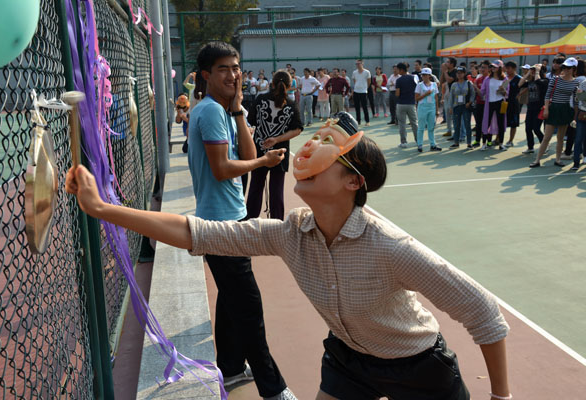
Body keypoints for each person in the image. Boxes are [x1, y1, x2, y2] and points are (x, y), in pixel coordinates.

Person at [66, 111, 512, 400]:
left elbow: (484, 312)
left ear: (353, 182)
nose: (308, 151)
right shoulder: (291, 234)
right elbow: (198, 233)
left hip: (417, 367)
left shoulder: (391, 248)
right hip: (349, 360)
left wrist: (501, 397)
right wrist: (104, 209)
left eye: (327, 148)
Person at [171, 41, 296, 400]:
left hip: (232, 218)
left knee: (231, 300)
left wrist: (239, 109)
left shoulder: (225, 111)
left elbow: (249, 152)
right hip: (220, 225)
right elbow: (223, 168)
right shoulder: (210, 111)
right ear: (206, 75)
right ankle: (274, 389)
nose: (233, 74)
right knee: (248, 308)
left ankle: (229, 367)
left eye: (236, 67)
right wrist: (263, 164)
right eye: (224, 68)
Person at [247, 70, 303, 220]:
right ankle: (277, 224)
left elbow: (250, 121)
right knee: (277, 191)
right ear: (289, 85)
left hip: (259, 150)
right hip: (280, 153)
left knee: (255, 188)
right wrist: (277, 139)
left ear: (272, 83)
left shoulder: (260, 99)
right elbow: (298, 129)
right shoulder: (291, 104)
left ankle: (249, 222)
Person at [530, 57, 580, 168]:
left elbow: (575, 101)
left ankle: (557, 159)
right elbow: (547, 95)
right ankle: (537, 160)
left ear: (574, 69)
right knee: (547, 137)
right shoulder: (555, 79)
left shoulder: (576, 82)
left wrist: (575, 117)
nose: (566, 69)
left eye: (569, 67)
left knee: (560, 138)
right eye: (565, 67)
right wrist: (546, 109)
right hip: (553, 108)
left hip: (565, 110)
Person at [518, 64, 548, 154]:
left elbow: (538, 81)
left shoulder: (545, 80)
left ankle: (544, 145)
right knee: (528, 128)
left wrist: (537, 71)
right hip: (530, 107)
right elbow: (520, 84)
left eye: (535, 70)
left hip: (539, 108)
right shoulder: (530, 81)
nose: (533, 72)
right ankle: (530, 147)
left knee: (536, 128)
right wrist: (528, 74)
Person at [480, 60, 508, 151]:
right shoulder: (487, 79)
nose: (493, 68)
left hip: (500, 103)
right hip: (490, 103)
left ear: (500, 68)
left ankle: (501, 143)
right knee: (486, 123)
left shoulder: (504, 79)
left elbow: (507, 93)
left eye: (495, 67)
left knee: (501, 123)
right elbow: (482, 91)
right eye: (492, 67)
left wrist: (503, 90)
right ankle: (484, 143)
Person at [448, 66, 476, 149]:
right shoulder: (454, 84)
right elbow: (451, 96)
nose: (459, 75)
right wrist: (450, 107)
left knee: (467, 125)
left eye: (461, 73)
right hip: (456, 106)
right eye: (457, 73)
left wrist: (469, 102)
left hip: (466, 106)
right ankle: (456, 142)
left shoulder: (468, 83)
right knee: (456, 125)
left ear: (464, 74)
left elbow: (473, 94)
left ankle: (469, 143)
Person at [415, 67, 442, 152]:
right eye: (423, 75)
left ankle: (433, 145)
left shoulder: (434, 85)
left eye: (425, 75)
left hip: (432, 107)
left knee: (431, 127)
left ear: (429, 76)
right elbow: (416, 98)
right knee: (421, 127)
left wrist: (437, 110)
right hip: (422, 107)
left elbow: (436, 98)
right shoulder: (419, 85)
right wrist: (426, 94)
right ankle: (420, 145)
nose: (423, 76)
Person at [395, 62, 418, 148]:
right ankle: (418, 140)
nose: (397, 71)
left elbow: (397, 94)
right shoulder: (414, 78)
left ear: (401, 70)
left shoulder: (399, 80)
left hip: (401, 104)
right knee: (414, 123)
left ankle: (403, 142)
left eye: (398, 70)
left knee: (402, 124)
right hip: (411, 104)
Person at [471, 60, 489, 147]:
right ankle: (477, 140)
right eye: (481, 67)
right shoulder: (478, 79)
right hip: (479, 104)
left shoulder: (490, 79)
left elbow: (482, 93)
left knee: (487, 123)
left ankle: (488, 141)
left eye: (484, 67)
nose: (482, 69)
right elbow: (477, 93)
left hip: (488, 104)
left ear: (489, 69)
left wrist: (475, 87)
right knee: (478, 123)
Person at [503, 61, 521, 147]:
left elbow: (527, 86)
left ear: (514, 69)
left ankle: (510, 141)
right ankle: (498, 139)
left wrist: (519, 94)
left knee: (514, 123)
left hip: (514, 103)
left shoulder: (518, 78)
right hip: (504, 103)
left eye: (509, 68)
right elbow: (502, 89)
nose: (507, 70)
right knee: (502, 121)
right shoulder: (505, 78)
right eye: (506, 68)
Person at [352, 59, 372, 126]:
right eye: (356, 64)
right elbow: (354, 81)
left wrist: (364, 88)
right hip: (356, 91)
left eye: (359, 63)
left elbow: (369, 82)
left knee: (364, 107)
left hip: (363, 92)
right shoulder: (354, 72)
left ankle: (367, 121)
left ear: (362, 64)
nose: (357, 65)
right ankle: (358, 121)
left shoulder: (367, 72)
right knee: (357, 107)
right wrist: (357, 86)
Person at [441, 57, 458, 136]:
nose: (446, 63)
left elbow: (449, 80)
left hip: (455, 94)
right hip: (448, 93)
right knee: (447, 111)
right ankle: (449, 130)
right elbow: (442, 82)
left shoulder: (455, 71)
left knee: (453, 112)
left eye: (448, 62)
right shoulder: (447, 72)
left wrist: (445, 72)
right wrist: (443, 72)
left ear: (452, 64)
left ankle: (456, 131)